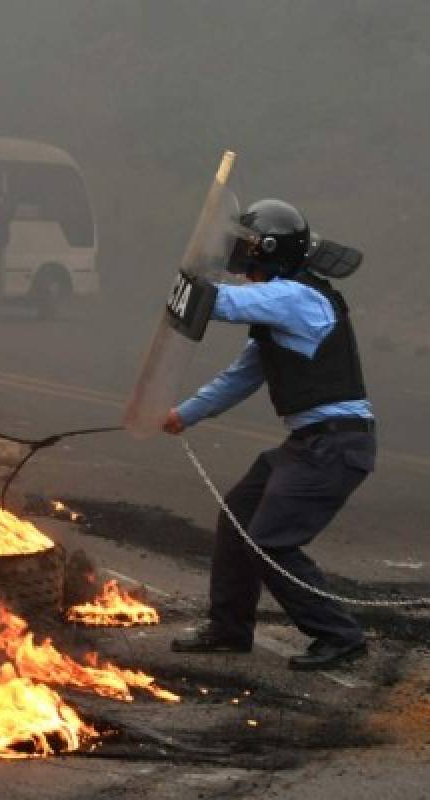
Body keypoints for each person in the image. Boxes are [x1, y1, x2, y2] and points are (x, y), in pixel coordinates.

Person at [164, 198, 376, 671]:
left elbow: (219, 301)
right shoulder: (280, 312)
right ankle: (229, 629)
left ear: (267, 252)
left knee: (269, 539)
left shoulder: (296, 298)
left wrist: (190, 276)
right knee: (238, 519)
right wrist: (184, 415)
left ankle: (339, 635)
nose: (240, 264)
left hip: (334, 445)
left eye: (245, 252)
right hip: (310, 444)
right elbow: (241, 377)